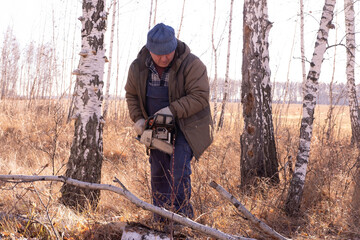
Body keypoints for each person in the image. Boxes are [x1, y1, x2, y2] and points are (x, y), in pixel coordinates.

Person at [125, 23, 213, 222]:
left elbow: (200, 96)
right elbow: (131, 94)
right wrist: (138, 118)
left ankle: (181, 220)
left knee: (178, 170)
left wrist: (171, 111)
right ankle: (161, 220)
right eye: (159, 54)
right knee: (158, 172)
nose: (164, 58)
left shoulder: (192, 64)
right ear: (149, 50)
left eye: (168, 52)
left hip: (186, 127)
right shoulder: (138, 67)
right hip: (155, 127)